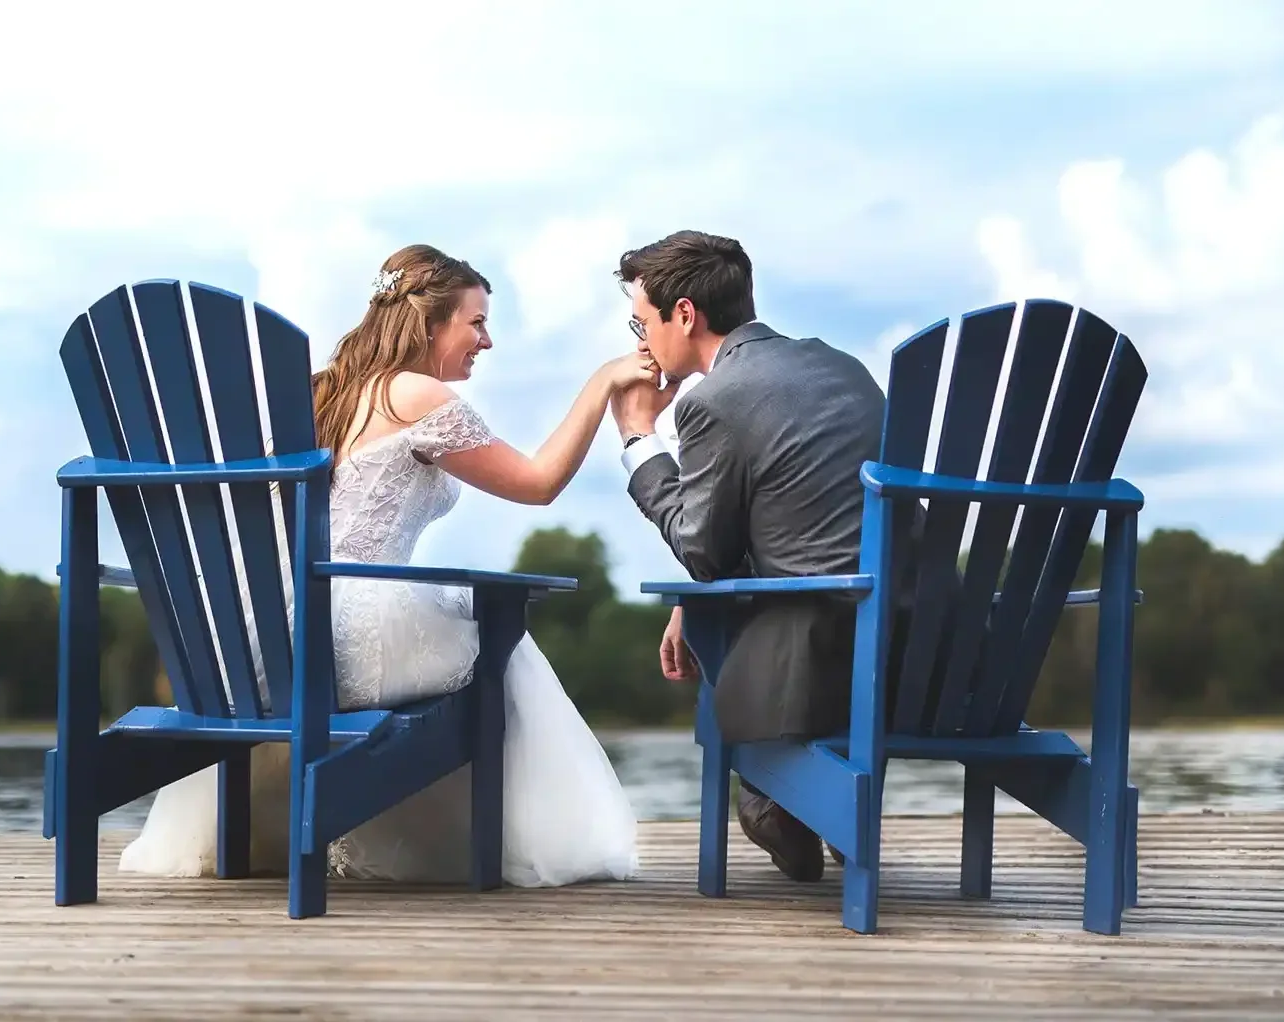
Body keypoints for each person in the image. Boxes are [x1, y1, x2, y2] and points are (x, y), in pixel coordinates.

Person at [119, 244, 646, 887]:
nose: (487, 340)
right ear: (429, 325)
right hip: (350, 627)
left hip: (263, 633)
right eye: (475, 322)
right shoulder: (415, 393)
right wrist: (601, 384)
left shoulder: (325, 394)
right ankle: (487, 845)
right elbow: (535, 483)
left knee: (471, 629)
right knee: (501, 638)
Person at [609, 230, 900, 884]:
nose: (641, 340)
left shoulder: (714, 400)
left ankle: (776, 803)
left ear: (684, 314)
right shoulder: (843, 368)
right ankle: (810, 808)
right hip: (920, 651)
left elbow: (703, 551)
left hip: (820, 662)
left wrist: (637, 438)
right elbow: (808, 519)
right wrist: (695, 598)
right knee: (707, 609)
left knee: (718, 634)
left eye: (642, 320)